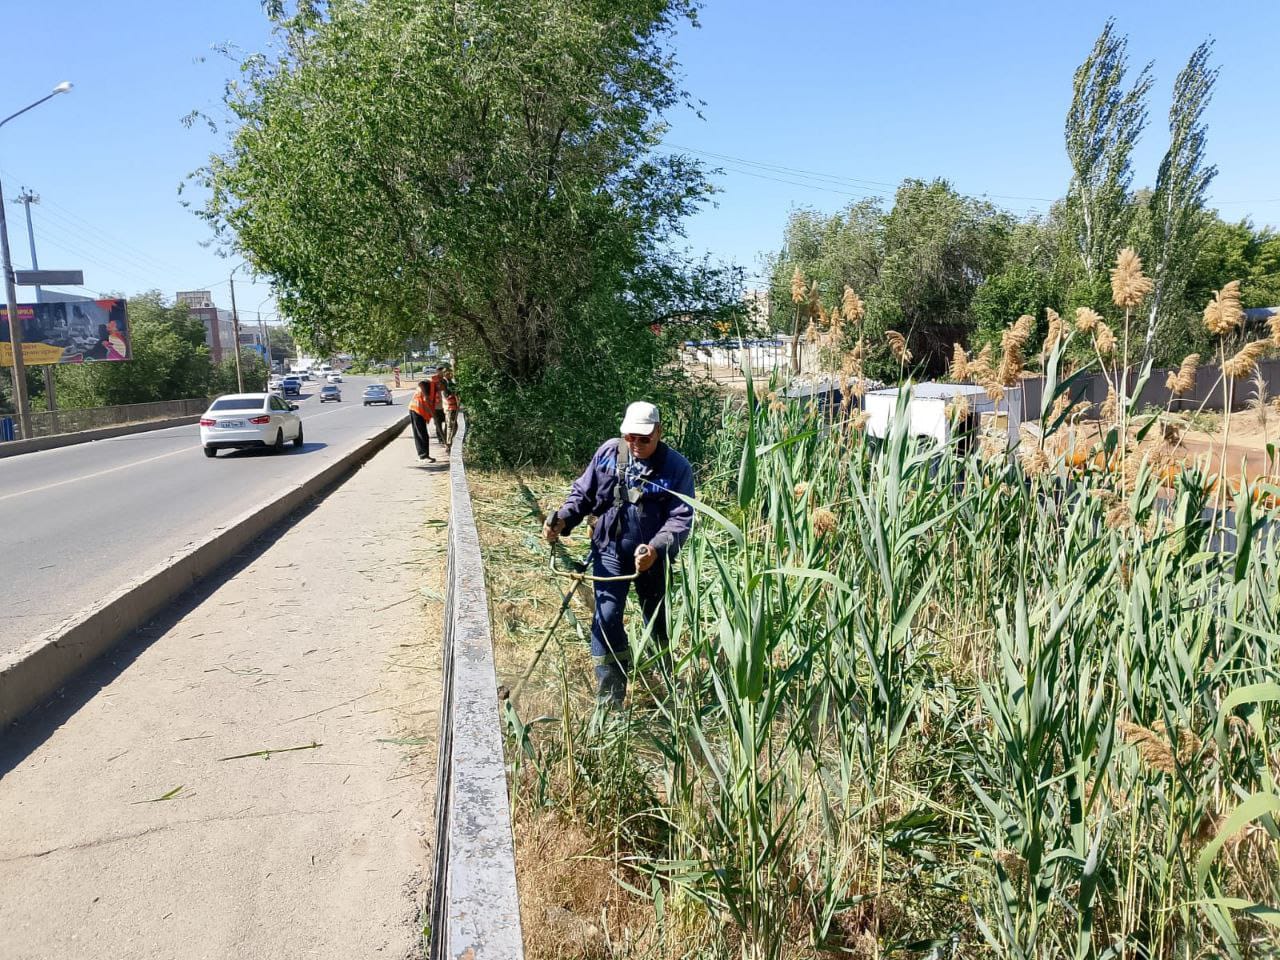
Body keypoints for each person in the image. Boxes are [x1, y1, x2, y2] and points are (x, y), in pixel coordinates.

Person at [543, 401, 695, 704]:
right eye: (630, 437)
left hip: (650, 558)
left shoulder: (677, 468)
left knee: (657, 621)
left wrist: (656, 548)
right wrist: (562, 519)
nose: (636, 444)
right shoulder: (608, 454)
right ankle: (611, 696)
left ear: (659, 432)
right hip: (609, 550)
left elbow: (681, 518)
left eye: (644, 438)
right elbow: (583, 495)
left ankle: (664, 689)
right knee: (606, 616)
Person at [408, 380, 436, 462]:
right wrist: (425, 395)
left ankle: (425, 455)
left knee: (424, 434)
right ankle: (423, 456)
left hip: (421, 412)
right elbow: (420, 383)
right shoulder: (430, 384)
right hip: (416, 409)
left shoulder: (435, 390)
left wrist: (433, 416)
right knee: (421, 434)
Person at [441, 365, 460, 452]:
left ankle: (449, 442)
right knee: (450, 426)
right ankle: (448, 444)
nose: (450, 374)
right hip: (449, 407)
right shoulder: (443, 383)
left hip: (453, 407)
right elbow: (446, 395)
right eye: (449, 373)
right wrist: (454, 394)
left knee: (454, 426)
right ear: (445, 374)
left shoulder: (450, 382)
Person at [428, 366, 448, 442]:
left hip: (444, 405)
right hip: (435, 405)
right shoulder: (433, 380)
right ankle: (441, 438)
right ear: (437, 371)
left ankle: (444, 436)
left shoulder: (444, 381)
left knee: (446, 421)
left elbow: (446, 391)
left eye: (443, 372)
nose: (442, 373)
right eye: (441, 372)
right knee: (438, 423)